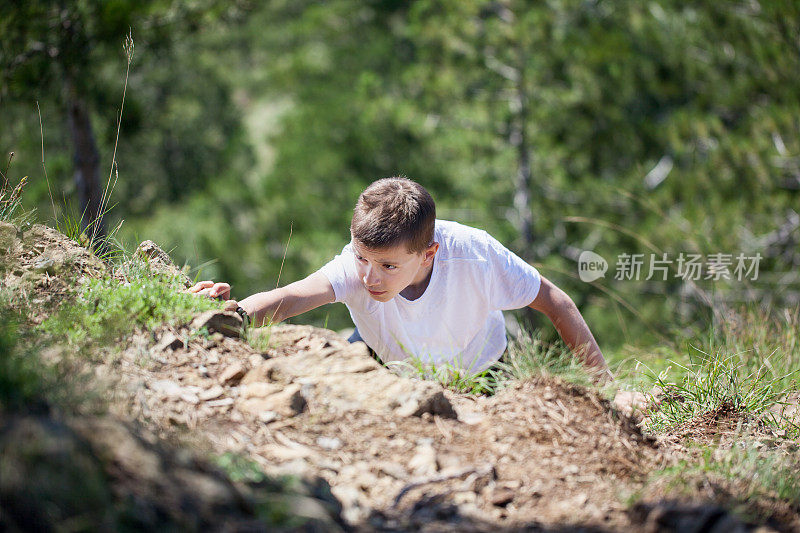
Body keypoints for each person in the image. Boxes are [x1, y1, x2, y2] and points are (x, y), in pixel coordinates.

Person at [190, 177, 642, 409]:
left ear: (428, 254)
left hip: (481, 369)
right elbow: (293, 296)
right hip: (386, 361)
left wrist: (608, 391)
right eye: (362, 258)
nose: (370, 277)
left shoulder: (476, 255)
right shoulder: (358, 266)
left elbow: (556, 301)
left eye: (388, 266)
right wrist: (234, 313)